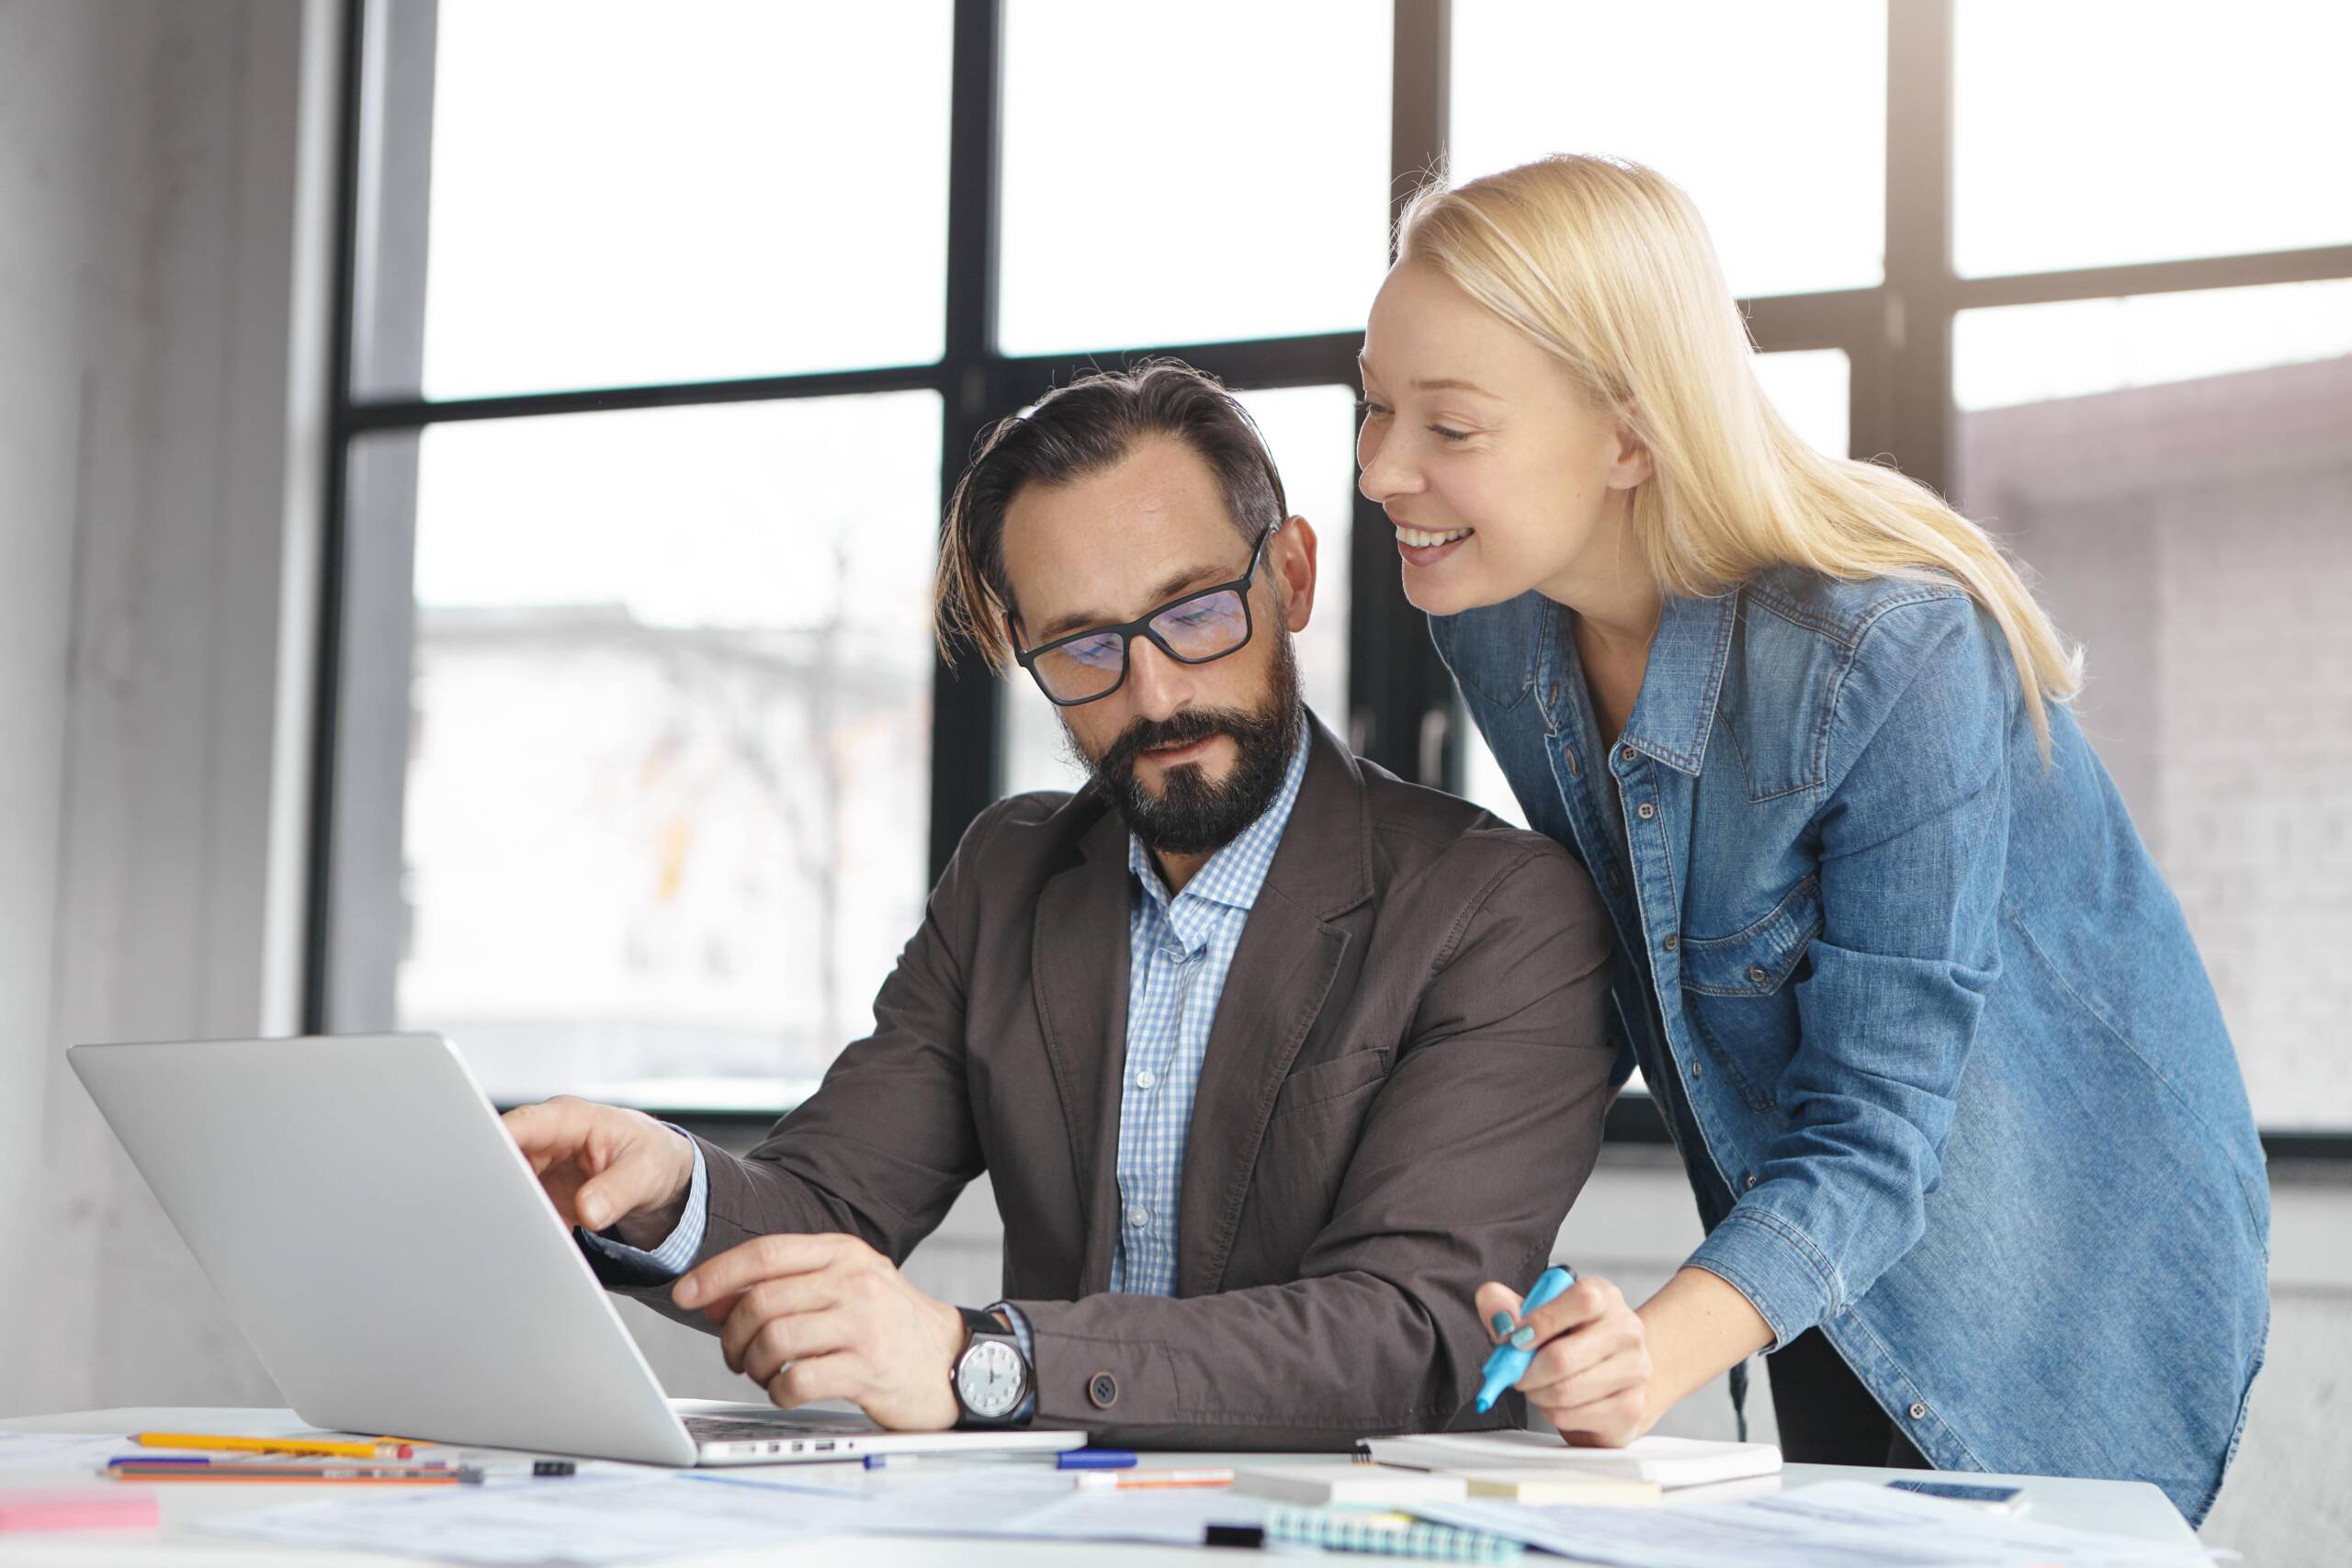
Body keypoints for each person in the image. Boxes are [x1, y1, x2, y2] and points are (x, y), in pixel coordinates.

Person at [1355, 155, 2267, 1522]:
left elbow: (1882, 1121)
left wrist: (1647, 1351)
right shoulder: (1493, 616)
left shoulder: (1888, 652)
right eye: (1373, 408)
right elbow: (1638, 946)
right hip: (1804, 1256)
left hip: (2061, 1274)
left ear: (1628, 434)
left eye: (1451, 427)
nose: (1381, 470)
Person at [503, 362, 1617, 1447]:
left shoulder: (1502, 911)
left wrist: (976, 1361)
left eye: (1192, 613)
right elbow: (828, 1210)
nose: (1155, 693)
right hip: (1048, 1528)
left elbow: (1409, 1334)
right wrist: (662, 1189)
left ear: (1291, 575)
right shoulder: (1012, 872)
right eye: (1083, 645)